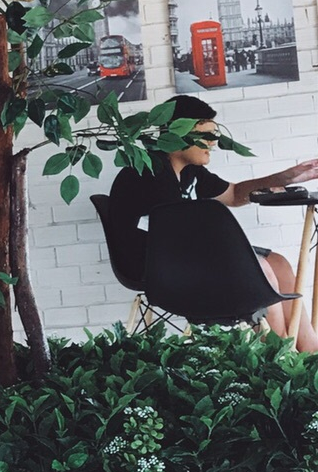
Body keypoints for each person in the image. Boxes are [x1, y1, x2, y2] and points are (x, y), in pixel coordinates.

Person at [107, 94, 318, 351]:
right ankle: (280, 354)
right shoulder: (150, 172)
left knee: (279, 264)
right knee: (261, 269)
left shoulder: (190, 171)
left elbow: (235, 194)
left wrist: (287, 177)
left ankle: (309, 351)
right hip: (155, 268)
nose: (213, 143)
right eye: (205, 136)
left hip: (182, 257)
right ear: (177, 133)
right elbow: (175, 239)